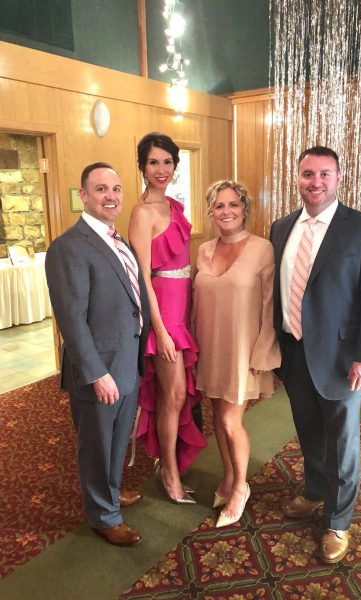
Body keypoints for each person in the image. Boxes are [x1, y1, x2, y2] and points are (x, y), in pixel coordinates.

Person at [270, 146, 361, 563]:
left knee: (341, 442)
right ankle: (314, 492)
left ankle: (338, 521)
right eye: (308, 174)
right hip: (293, 351)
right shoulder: (281, 228)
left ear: (339, 178)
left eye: (325, 174)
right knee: (308, 430)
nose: (316, 182)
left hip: (343, 358)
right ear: (298, 178)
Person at [45, 163, 150, 547]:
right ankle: (103, 516)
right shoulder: (68, 247)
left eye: (116, 189)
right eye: (101, 189)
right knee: (96, 446)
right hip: (99, 370)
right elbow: (71, 320)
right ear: (84, 195)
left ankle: (112, 491)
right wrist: (95, 373)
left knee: (117, 439)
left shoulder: (118, 241)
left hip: (127, 361)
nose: (111, 196)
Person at [193, 180, 281, 528]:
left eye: (233, 204)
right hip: (210, 347)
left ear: (245, 209)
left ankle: (241, 486)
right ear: (211, 211)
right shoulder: (203, 250)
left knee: (231, 420)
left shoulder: (262, 249)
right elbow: (196, 303)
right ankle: (229, 476)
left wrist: (263, 352)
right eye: (219, 205)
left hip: (244, 349)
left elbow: (270, 306)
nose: (226, 211)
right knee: (218, 415)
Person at [129, 132, 206, 504]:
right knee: (172, 395)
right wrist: (160, 331)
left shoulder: (175, 205)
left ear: (175, 165)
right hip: (163, 316)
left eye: (167, 162)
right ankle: (169, 473)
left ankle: (169, 464)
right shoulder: (141, 212)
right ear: (142, 167)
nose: (161, 169)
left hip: (182, 310)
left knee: (176, 395)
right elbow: (142, 277)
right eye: (153, 162)